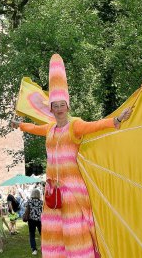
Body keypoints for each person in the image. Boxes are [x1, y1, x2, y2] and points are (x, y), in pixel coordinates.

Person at [11, 54, 132, 257]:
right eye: (55, 105)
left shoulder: (75, 125)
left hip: (73, 192)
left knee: (73, 231)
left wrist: (116, 119)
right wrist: (20, 125)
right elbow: (33, 127)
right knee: (54, 233)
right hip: (52, 192)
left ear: (67, 106)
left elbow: (95, 126)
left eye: (62, 105)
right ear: (51, 108)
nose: (58, 109)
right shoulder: (49, 128)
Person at [26, 188, 43, 255]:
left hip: (31, 220)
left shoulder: (29, 201)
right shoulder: (41, 202)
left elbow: (26, 208)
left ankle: (34, 249)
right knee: (42, 234)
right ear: (39, 194)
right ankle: (43, 247)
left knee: (32, 235)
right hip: (40, 220)